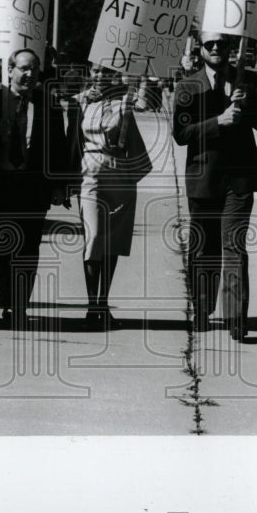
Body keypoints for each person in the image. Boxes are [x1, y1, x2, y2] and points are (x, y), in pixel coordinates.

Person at [172, 31, 257, 342]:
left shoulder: (249, 80)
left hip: (239, 178)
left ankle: (235, 319)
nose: (216, 48)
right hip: (204, 177)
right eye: (210, 44)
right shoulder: (188, 85)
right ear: (200, 48)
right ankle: (202, 310)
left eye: (222, 43)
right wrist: (218, 121)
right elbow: (181, 133)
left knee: (235, 248)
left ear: (231, 47)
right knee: (203, 247)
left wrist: (250, 104)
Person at [0, 49, 69, 329]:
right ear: (10, 70)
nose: (30, 75)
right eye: (24, 68)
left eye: (35, 69)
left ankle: (20, 306)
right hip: (2, 186)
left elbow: (59, 148)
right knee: (4, 247)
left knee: (28, 249)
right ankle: (6, 301)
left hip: (33, 188)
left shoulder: (48, 105)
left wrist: (59, 186)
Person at [67, 65, 152, 330]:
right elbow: (72, 141)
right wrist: (66, 181)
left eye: (107, 71)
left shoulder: (125, 101)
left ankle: (103, 304)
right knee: (93, 239)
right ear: (89, 72)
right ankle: (92, 305)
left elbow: (144, 104)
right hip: (89, 177)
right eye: (96, 70)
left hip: (119, 179)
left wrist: (145, 76)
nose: (101, 75)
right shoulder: (79, 102)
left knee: (111, 244)